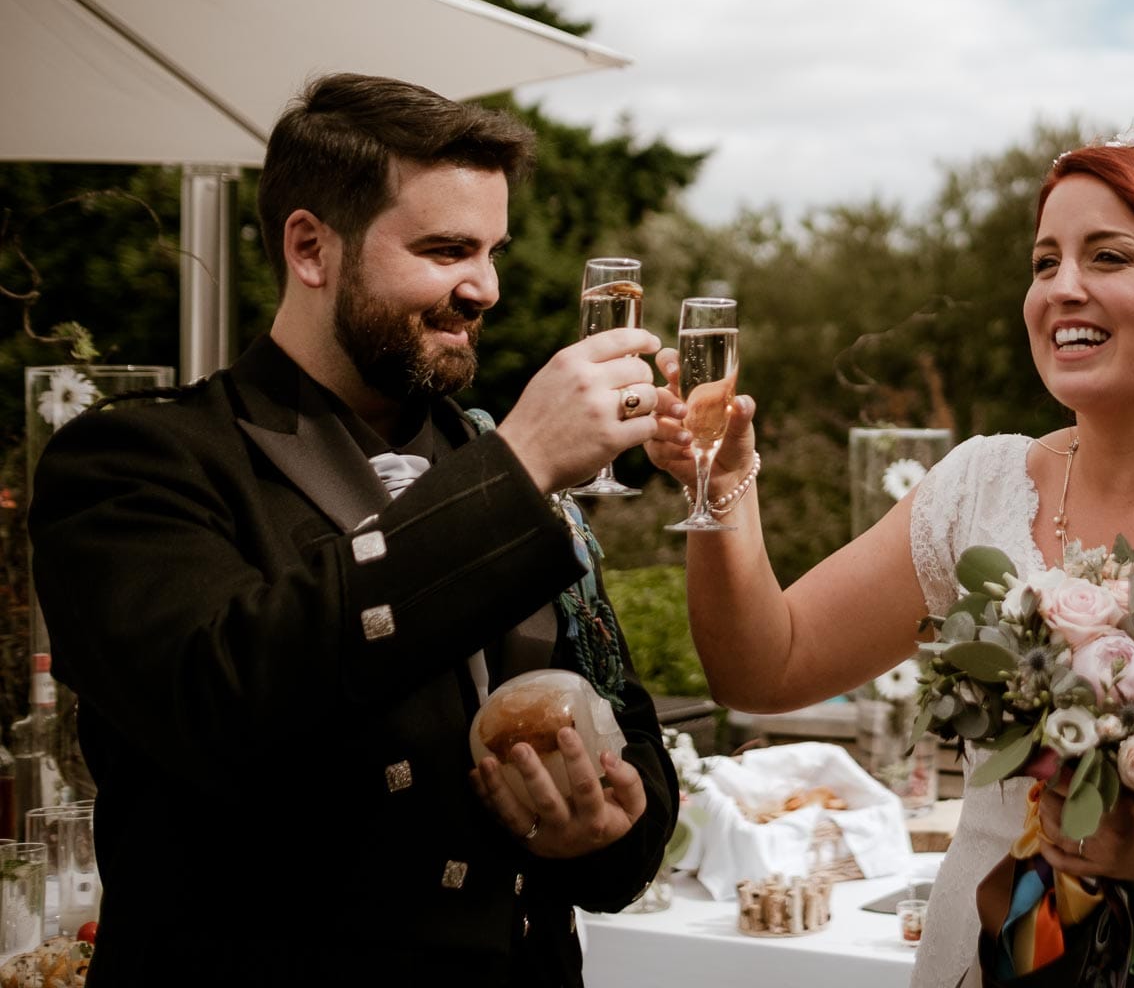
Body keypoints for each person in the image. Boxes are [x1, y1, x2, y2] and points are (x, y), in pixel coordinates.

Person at [647, 135, 1134, 986]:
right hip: (987, 962)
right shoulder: (975, 492)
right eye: (1044, 261)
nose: (1063, 287)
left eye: (1108, 256)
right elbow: (765, 670)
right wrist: (723, 489)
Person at [29, 74, 680, 985]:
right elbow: (221, 698)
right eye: (447, 248)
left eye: (493, 250)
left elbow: (633, 744)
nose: (485, 287)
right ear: (309, 248)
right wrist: (519, 472)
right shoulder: (135, 462)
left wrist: (604, 828)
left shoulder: (495, 460)